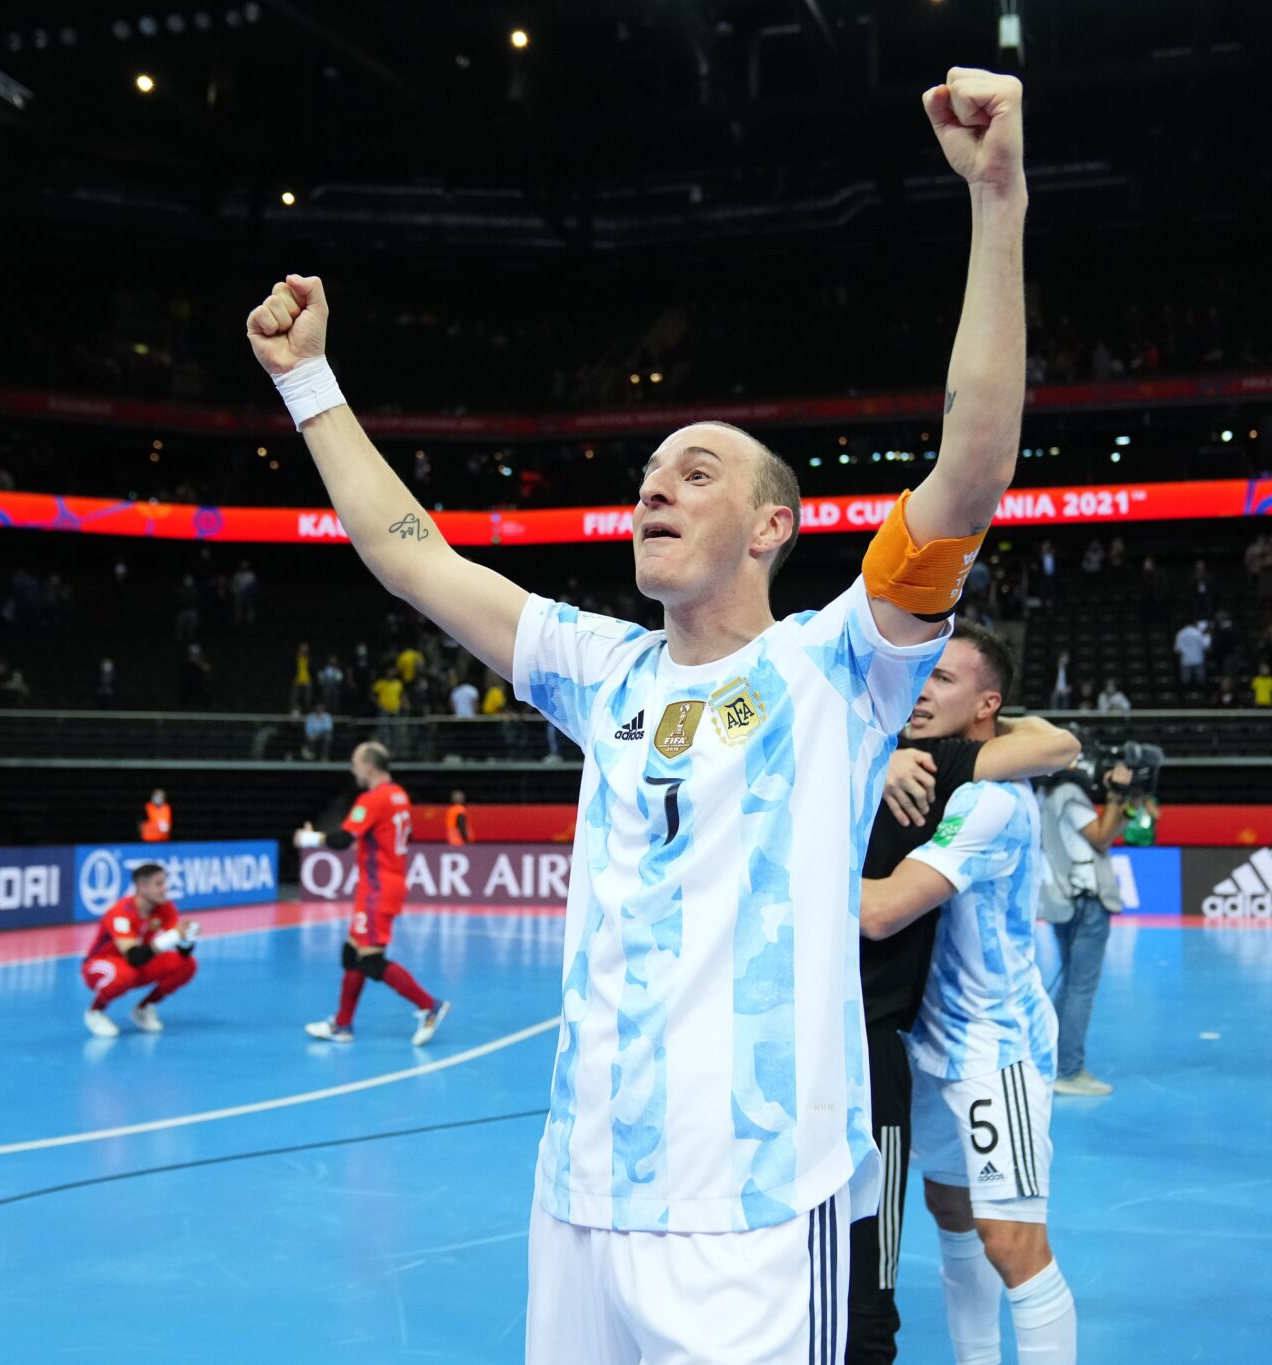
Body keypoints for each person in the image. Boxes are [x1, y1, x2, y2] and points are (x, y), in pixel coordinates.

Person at [247, 64, 1030, 1363]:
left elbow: (975, 463)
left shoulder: (845, 663)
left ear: (775, 525)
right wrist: (309, 384)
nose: (653, 489)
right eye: (648, 474)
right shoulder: (600, 669)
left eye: (697, 471)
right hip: (582, 1201)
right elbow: (411, 553)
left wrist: (996, 200)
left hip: (760, 1217)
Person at [850, 626, 1077, 1364]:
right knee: (950, 1212)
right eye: (919, 676)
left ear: (988, 704)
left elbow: (884, 909)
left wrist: (779, 870)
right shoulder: (934, 769)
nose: (920, 692)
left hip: (994, 1044)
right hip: (926, 1038)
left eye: (942, 680)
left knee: (1011, 1241)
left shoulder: (992, 803)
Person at [303, 743, 449, 1046]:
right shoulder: (400, 795)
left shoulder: (373, 799)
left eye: (355, 763)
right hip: (385, 882)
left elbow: (344, 839)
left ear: (369, 766)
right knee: (352, 954)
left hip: (377, 887)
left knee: (370, 961)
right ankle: (342, 1025)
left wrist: (310, 837)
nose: (353, 769)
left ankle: (429, 1006)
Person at [1038, 747, 1134, 1098]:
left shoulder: (1045, 794)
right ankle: (1068, 1069)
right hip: (1086, 901)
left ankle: (1055, 1063)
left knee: (1070, 986)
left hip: (1064, 899)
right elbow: (1102, 838)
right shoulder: (1070, 794)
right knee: (1080, 988)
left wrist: (1122, 802)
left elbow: (1107, 831)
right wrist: (1116, 794)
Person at [81, 864, 199, 1037]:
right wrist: (173, 936)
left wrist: (188, 937)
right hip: (99, 966)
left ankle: (143, 1009)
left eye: (165, 882)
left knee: (186, 965)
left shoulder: (165, 908)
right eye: (158, 884)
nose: (165, 888)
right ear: (141, 887)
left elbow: (183, 953)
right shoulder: (120, 912)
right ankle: (95, 1012)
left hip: (134, 966)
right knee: (123, 974)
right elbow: (134, 957)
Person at [1174, 619, 1210, 692]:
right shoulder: (1198, 633)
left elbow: (1176, 649)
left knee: (1186, 682)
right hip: (1198, 660)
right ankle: (1200, 696)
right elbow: (1206, 645)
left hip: (1186, 661)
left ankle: (1188, 699)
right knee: (1200, 681)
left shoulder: (1180, 633)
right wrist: (1207, 636)